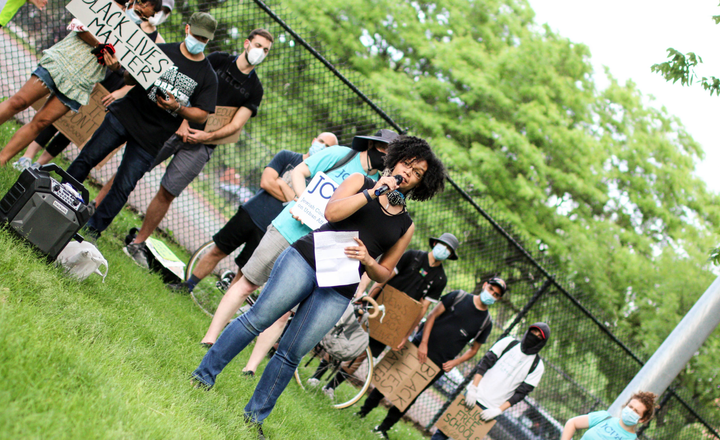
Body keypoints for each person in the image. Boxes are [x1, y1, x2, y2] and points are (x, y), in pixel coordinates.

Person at [191, 135, 445, 439]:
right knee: (258, 319)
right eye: (408, 164)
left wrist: (367, 259)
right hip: (306, 260)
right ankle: (204, 375)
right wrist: (374, 192)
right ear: (396, 159)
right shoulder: (359, 180)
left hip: (339, 287)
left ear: (421, 184)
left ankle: (254, 417)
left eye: (418, 173)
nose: (409, 173)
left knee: (292, 352)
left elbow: (384, 272)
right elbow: (331, 213)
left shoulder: (406, 225)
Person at [197, 129, 399, 349]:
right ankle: (210, 337)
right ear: (372, 145)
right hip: (289, 227)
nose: (387, 157)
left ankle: (250, 368)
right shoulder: (341, 155)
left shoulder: (377, 185)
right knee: (247, 283)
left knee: (282, 310)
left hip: (314, 247)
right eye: (385, 150)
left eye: (392, 154)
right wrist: (302, 202)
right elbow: (300, 172)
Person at [123, 28, 275, 267]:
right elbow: (188, 88)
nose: (260, 52)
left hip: (202, 145)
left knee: (168, 191)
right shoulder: (219, 60)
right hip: (174, 124)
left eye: (265, 50)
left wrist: (206, 137)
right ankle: (99, 210)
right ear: (247, 43)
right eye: (258, 46)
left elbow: (236, 125)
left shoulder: (255, 89)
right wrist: (183, 120)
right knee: (132, 166)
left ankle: (137, 243)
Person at [64, 12, 219, 240]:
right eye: (196, 35)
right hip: (126, 115)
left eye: (204, 39)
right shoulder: (162, 52)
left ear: (209, 40)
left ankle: (92, 231)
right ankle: (61, 198)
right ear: (187, 29)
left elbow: (202, 114)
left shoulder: (208, 76)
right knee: (88, 157)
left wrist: (178, 108)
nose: (198, 41)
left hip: (151, 138)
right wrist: (126, 71)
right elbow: (129, 79)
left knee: (123, 186)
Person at [166, 132, 337, 293]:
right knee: (217, 250)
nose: (323, 147)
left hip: (271, 231)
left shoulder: (319, 182)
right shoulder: (287, 156)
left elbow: (300, 205)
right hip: (250, 214)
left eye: (329, 147)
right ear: (314, 140)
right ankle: (187, 286)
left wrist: (283, 184)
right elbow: (266, 182)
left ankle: (222, 312)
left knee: (244, 273)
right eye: (322, 141)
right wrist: (292, 197)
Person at [12, 0, 172, 171]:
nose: (155, 14)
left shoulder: (157, 41)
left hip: (113, 86)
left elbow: (143, 75)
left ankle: (39, 165)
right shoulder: (120, 14)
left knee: (75, 127)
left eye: (162, 11)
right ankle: (27, 156)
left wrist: (120, 92)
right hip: (92, 72)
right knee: (54, 117)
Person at [315, 232, 460, 399]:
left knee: (363, 354)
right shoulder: (412, 256)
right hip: (376, 308)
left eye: (449, 249)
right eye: (444, 245)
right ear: (435, 243)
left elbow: (422, 309)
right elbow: (384, 277)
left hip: (393, 324)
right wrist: (368, 298)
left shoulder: (440, 279)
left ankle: (331, 387)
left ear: (450, 255)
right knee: (344, 339)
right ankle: (316, 377)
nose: (444, 250)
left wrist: (405, 335)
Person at [357, 278, 507, 440]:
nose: (491, 294)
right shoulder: (459, 296)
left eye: (496, 294)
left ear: (498, 299)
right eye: (491, 289)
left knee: (409, 395)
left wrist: (455, 362)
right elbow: (432, 316)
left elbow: (474, 350)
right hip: (418, 347)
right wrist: (423, 343)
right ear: (485, 285)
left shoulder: (486, 322)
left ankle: (383, 428)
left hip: (438, 363)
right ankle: (362, 412)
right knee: (389, 380)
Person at [431, 322, 552, 440]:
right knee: (443, 432)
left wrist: (498, 410)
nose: (534, 336)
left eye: (539, 336)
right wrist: (473, 389)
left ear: (542, 342)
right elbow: (485, 363)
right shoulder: (508, 342)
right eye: (533, 332)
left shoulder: (537, 366)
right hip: (474, 394)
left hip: (490, 408)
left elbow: (521, 393)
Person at [561, 391, 658, 440]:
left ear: (642, 419)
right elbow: (572, 423)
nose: (630, 411)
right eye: (630, 406)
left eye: (636, 411)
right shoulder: (604, 417)